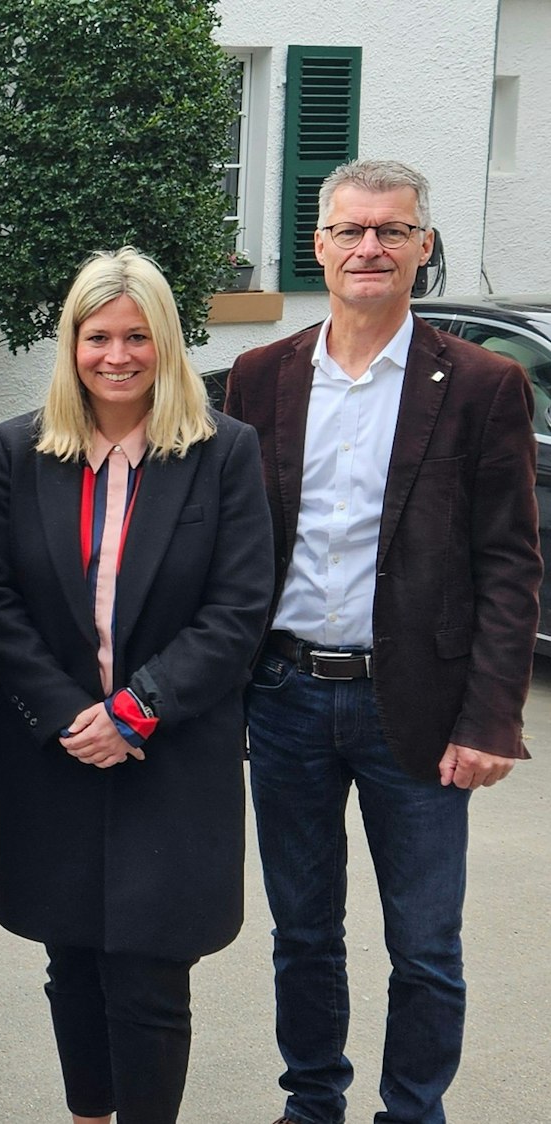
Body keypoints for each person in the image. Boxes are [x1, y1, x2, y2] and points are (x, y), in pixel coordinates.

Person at [223, 159, 540, 1124]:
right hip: (284, 700)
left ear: (422, 246)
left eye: (392, 232)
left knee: (426, 944)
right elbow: (231, 551)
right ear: (318, 246)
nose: (370, 247)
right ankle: (312, 1103)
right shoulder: (260, 376)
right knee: (304, 934)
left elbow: (508, 565)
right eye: (351, 231)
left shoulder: (482, 383)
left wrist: (491, 717)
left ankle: (413, 1111)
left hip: (420, 706)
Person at [0, 248, 275, 1124]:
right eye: (97, 335)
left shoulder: (223, 453)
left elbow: (238, 607)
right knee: (73, 955)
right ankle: (87, 1115)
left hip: (171, 749)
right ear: (70, 343)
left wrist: (137, 710)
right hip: (54, 746)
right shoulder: (20, 452)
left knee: (148, 964)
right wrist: (72, 714)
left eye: (138, 335)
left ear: (167, 343)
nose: (117, 355)